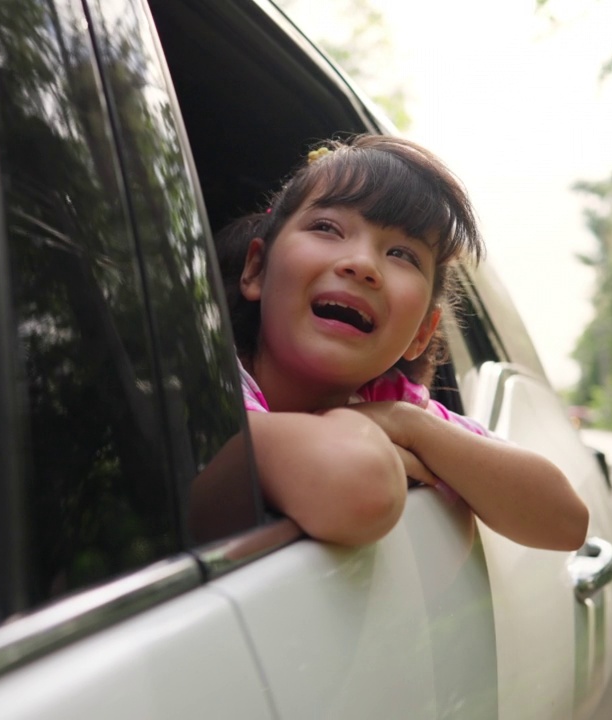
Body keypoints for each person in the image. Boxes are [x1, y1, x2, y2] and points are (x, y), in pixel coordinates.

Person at [214, 135, 588, 550]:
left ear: (422, 334)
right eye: (327, 228)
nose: (362, 265)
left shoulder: (394, 402)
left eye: (402, 255)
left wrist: (409, 425)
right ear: (257, 270)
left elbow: (568, 522)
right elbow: (358, 484)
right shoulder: (208, 391)